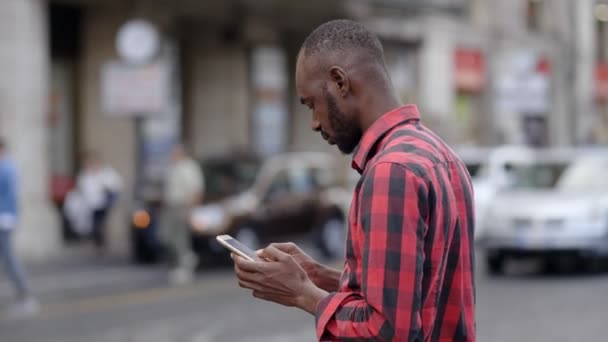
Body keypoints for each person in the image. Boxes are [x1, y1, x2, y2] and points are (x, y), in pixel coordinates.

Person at [232, 20, 476, 341]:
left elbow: (387, 331)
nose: (314, 123)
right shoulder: (440, 154)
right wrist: (319, 277)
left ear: (339, 82)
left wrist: (303, 294)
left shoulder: (391, 171)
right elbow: (416, 292)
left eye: (312, 104)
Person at [0, 138, 39, 317]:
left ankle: (26, 296)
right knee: (8, 259)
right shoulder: (9, 167)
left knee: (9, 260)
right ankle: (25, 296)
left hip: (4, 219)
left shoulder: (5, 168)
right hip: (7, 218)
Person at [162, 144, 204, 285]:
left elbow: (196, 191)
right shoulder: (174, 168)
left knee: (181, 238)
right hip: (172, 207)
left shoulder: (189, 167)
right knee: (168, 236)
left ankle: (186, 265)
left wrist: (191, 210)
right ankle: (187, 259)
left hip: (183, 206)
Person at [75, 151, 122, 251]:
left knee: (99, 223)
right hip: (91, 204)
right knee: (96, 223)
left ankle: (100, 242)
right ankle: (99, 242)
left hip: (103, 203)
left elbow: (115, 185)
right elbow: (83, 190)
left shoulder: (105, 173)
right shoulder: (85, 175)